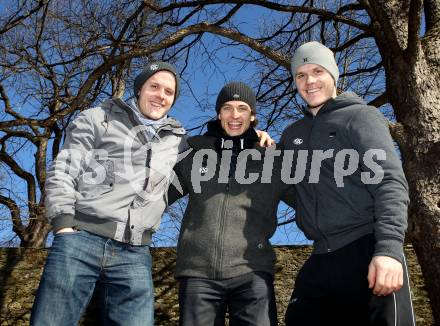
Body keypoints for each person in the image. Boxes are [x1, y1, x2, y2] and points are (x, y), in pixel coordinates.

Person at [31, 61, 186, 326]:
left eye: (169, 92)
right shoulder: (98, 117)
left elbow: (215, 157)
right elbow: (64, 169)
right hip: (80, 240)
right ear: (139, 89)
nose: (161, 95)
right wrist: (63, 224)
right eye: (155, 86)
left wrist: (253, 136)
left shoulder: (178, 140)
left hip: (135, 252)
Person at [282, 41, 415, 325]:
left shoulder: (360, 116)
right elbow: (292, 190)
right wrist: (260, 151)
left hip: (367, 247)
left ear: (333, 75)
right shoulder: (292, 134)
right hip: (321, 256)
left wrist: (389, 249)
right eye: (301, 75)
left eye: (317, 71)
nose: (310, 81)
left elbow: (389, 181)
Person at [168, 82, 296, 326]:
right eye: (227, 108)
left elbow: (311, 201)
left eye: (242, 108)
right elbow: (156, 195)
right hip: (198, 274)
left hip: (253, 272)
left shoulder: (273, 160)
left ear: (253, 116)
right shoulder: (194, 154)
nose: (234, 115)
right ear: (218, 114)